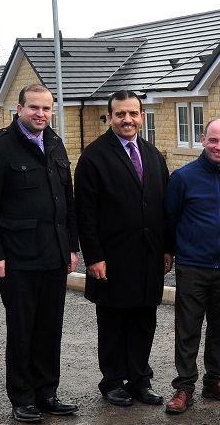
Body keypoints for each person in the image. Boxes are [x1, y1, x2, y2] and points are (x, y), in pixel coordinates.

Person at [0, 83, 80, 423]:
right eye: (34, 107)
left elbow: (67, 202)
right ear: (18, 109)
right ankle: (22, 397)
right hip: (17, 258)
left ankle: (47, 392)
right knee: (22, 329)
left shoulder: (55, 143)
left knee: (49, 328)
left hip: (53, 255)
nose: (41, 114)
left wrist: (72, 247)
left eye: (47, 108)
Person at [73, 90, 171, 408]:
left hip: (149, 256)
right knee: (114, 322)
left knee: (144, 320)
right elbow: (84, 213)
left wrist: (167, 249)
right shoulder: (94, 157)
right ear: (110, 116)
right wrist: (94, 256)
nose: (127, 119)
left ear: (142, 116)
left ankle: (139, 379)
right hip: (112, 258)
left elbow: (163, 206)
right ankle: (113, 381)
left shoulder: (153, 155)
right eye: (120, 114)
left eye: (133, 113)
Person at [163, 119, 220, 414]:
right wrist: (171, 251)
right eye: (213, 140)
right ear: (203, 139)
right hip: (192, 265)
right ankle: (184, 387)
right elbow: (170, 217)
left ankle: (215, 381)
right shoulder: (183, 177)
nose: (219, 146)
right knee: (187, 328)